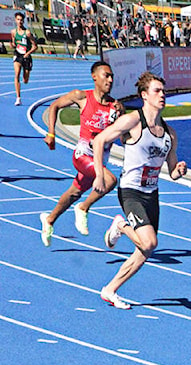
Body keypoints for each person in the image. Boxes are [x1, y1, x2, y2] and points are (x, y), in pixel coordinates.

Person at [92, 72, 187, 310]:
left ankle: (110, 290)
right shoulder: (133, 122)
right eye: (157, 91)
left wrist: (179, 170)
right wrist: (99, 173)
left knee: (144, 251)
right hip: (131, 191)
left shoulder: (169, 134)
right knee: (149, 243)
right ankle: (121, 226)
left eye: (164, 91)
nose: (162, 95)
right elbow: (100, 140)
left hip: (151, 194)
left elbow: (172, 171)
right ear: (144, 96)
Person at [39, 61, 122, 247]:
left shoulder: (115, 107)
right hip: (82, 155)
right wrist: (51, 132)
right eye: (106, 75)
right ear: (94, 76)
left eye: (112, 77)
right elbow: (54, 106)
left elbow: (123, 136)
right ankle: (83, 208)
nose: (110, 79)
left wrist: (122, 117)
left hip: (100, 159)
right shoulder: (82, 96)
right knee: (109, 181)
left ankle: (49, 220)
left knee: (74, 192)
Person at [12, 11, 38, 107]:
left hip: (26, 56)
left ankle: (26, 77)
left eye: (21, 20)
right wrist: (13, 45)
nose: (19, 22)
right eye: (18, 20)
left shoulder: (27, 33)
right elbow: (14, 43)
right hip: (18, 55)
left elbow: (35, 46)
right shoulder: (13, 32)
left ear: (23, 21)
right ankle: (18, 98)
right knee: (16, 74)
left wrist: (28, 53)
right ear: (15, 20)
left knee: (25, 80)